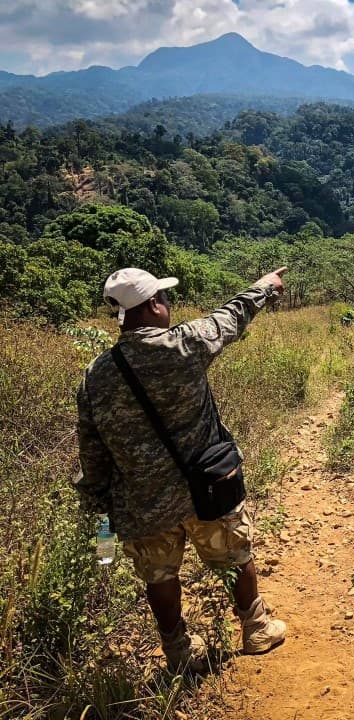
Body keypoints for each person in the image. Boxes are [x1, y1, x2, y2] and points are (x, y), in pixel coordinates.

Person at [73, 267, 289, 673]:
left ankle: (178, 653)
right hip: (206, 488)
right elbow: (230, 317)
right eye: (164, 298)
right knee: (235, 555)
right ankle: (257, 627)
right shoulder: (184, 343)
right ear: (154, 303)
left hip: (142, 502)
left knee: (159, 577)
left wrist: (99, 504)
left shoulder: (95, 374)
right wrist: (265, 287)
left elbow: (92, 449)